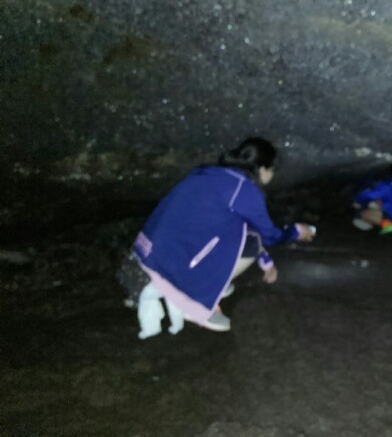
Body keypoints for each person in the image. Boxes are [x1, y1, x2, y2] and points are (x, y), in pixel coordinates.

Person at [117, 137, 315, 339]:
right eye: (272, 170)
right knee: (253, 241)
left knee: (238, 228)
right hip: (168, 263)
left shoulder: (206, 171)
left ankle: (207, 280)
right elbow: (270, 236)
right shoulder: (245, 189)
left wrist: (267, 263)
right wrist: (296, 231)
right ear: (264, 168)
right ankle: (192, 299)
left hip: (147, 249)